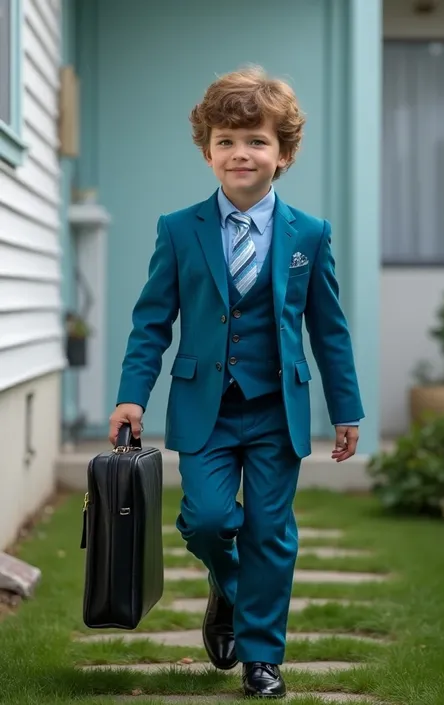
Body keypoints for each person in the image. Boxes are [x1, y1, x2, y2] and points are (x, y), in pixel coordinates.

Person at [109, 66, 364, 699]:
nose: (240, 153)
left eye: (255, 141)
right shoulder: (179, 229)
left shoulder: (309, 234)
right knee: (206, 520)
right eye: (226, 141)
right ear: (207, 151)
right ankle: (229, 585)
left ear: (283, 154)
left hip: (278, 407)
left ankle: (261, 659)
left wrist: (346, 409)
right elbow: (151, 322)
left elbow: (329, 329)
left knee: (270, 531)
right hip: (205, 406)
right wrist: (132, 395)